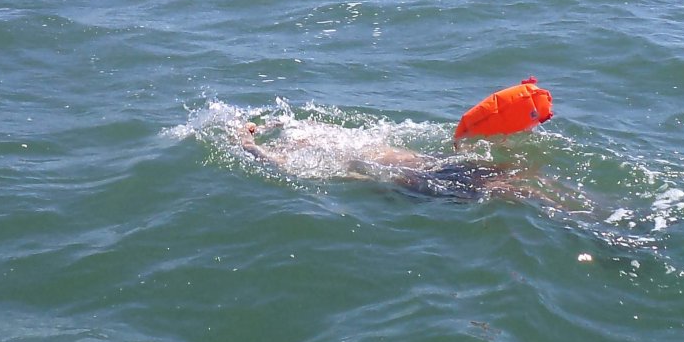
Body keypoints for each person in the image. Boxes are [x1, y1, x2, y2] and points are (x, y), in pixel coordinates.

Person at [238, 120, 577, 209]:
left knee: (510, 190)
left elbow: (259, 154)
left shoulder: (303, 157)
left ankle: (572, 213)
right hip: (431, 164)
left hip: (415, 179)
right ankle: (579, 207)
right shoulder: (332, 134)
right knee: (512, 181)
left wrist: (246, 138)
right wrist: (257, 132)